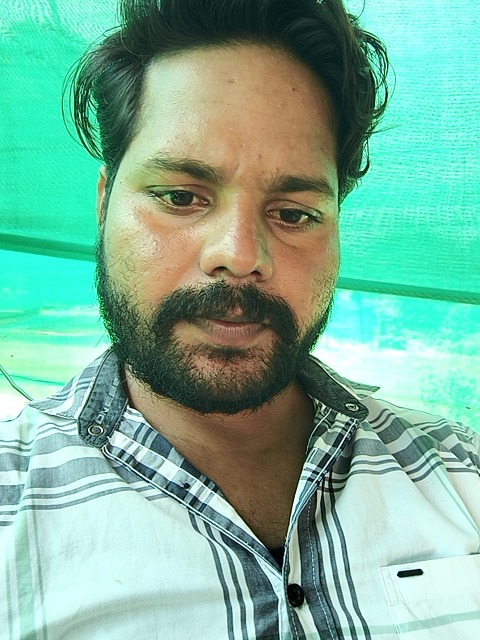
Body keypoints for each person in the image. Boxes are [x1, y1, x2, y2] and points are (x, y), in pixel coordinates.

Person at [1, 0, 479, 637]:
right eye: (180, 197)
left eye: (293, 213)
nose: (239, 254)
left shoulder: (460, 472)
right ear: (104, 200)